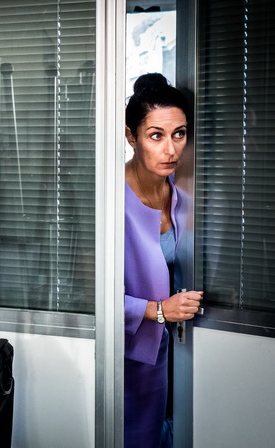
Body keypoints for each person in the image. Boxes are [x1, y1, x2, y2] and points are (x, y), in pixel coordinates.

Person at [124, 73, 203, 447]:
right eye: (156, 136)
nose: (170, 149)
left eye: (179, 134)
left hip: (184, 347)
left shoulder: (183, 194)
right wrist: (157, 311)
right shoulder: (110, 200)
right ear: (131, 137)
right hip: (129, 355)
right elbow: (89, 299)